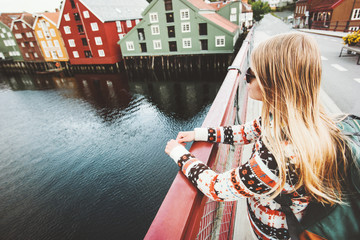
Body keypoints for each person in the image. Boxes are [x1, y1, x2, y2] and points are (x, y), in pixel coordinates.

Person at [165, 33, 351, 240]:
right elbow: (245, 131)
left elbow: (217, 188)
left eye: (251, 73)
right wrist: (200, 133)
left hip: (280, 234)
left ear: (273, 83)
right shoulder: (293, 120)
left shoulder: (279, 157)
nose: (246, 78)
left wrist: (179, 154)